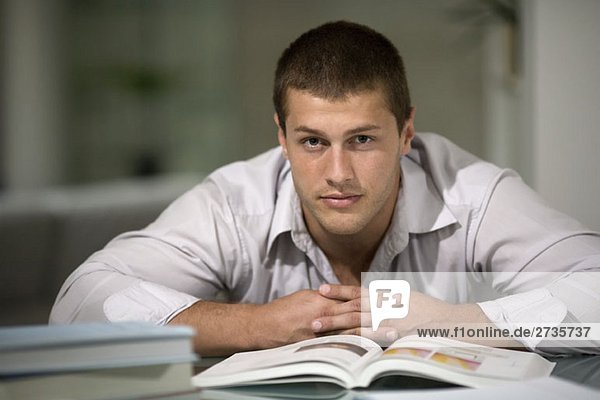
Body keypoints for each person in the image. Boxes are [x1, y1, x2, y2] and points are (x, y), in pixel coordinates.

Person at [50, 21, 600, 356]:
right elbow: (80, 301)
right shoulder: (235, 200)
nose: (338, 172)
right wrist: (258, 323)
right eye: (313, 142)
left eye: (362, 139)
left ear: (407, 132)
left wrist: (442, 320)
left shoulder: (474, 192)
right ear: (282, 139)